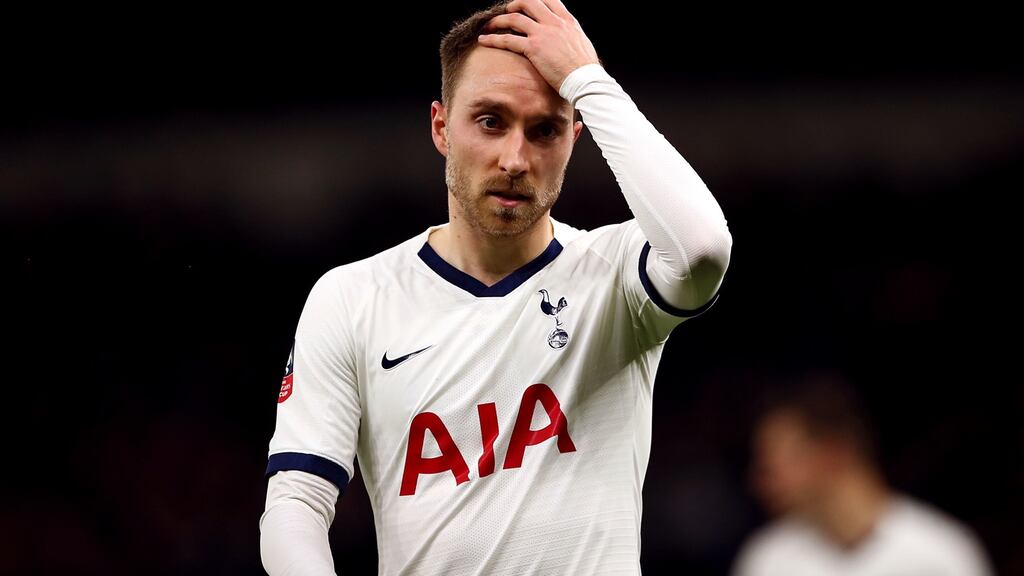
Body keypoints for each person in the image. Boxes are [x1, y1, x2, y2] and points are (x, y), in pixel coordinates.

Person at [259, 0, 733, 573]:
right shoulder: (353, 299)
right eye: (490, 121)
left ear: (575, 137)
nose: (515, 159)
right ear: (441, 127)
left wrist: (589, 80)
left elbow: (702, 248)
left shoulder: (616, 274)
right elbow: (297, 503)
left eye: (544, 130)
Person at [732, 372, 995, 576]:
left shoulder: (939, 553)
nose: (760, 481)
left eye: (773, 463)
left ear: (831, 453)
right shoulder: (767, 560)